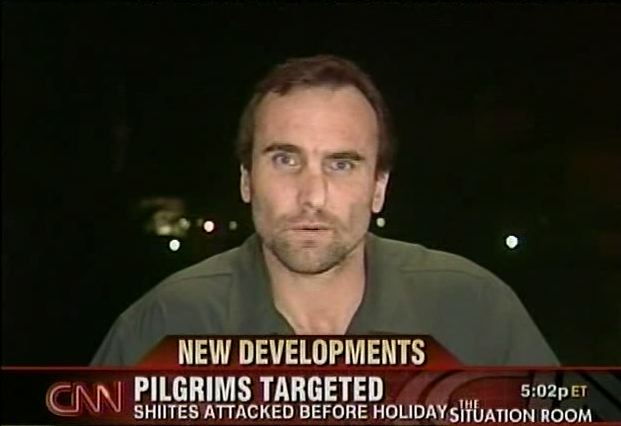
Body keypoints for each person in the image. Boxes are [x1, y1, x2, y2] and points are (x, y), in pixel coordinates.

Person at [92, 54, 558, 366]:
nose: (312, 195)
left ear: (378, 188)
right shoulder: (164, 327)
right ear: (246, 179)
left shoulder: (474, 312)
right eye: (285, 159)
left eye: (341, 164)